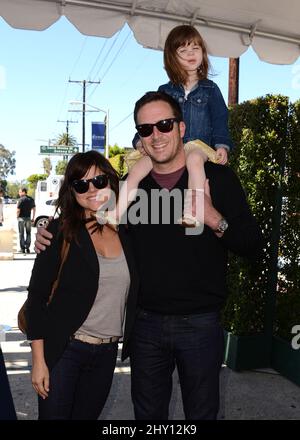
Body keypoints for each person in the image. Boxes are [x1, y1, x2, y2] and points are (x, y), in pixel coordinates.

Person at [35, 91, 263, 420]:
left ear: (182, 128)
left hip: (199, 325)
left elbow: (252, 244)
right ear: (140, 138)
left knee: (202, 414)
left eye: (164, 125)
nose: (156, 135)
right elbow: (85, 215)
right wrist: (46, 229)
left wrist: (214, 218)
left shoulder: (218, 180)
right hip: (145, 328)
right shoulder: (130, 190)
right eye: (146, 129)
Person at [25, 151, 138, 420]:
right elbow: (37, 298)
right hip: (65, 351)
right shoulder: (59, 232)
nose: (92, 189)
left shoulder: (126, 230)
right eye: (81, 184)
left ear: (111, 181)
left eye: (99, 180)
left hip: (106, 354)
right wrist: (39, 362)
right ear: (72, 191)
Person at [102, 25, 233, 228]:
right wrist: (139, 142)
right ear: (172, 58)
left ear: (203, 53)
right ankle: (116, 214)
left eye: (195, 49)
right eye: (183, 51)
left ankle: (192, 211)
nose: (191, 54)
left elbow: (220, 119)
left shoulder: (211, 89)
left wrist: (222, 145)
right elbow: (150, 118)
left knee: (195, 163)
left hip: (198, 145)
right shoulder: (165, 90)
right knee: (137, 170)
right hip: (171, 147)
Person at [16, 188, 36, 253]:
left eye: (20, 192)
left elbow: (18, 210)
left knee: (21, 234)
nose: (19, 193)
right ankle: (27, 248)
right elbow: (34, 209)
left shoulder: (20, 200)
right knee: (28, 233)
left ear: (24, 192)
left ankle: (22, 249)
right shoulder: (31, 199)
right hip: (28, 218)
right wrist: (33, 218)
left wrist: (17, 217)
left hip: (21, 218)